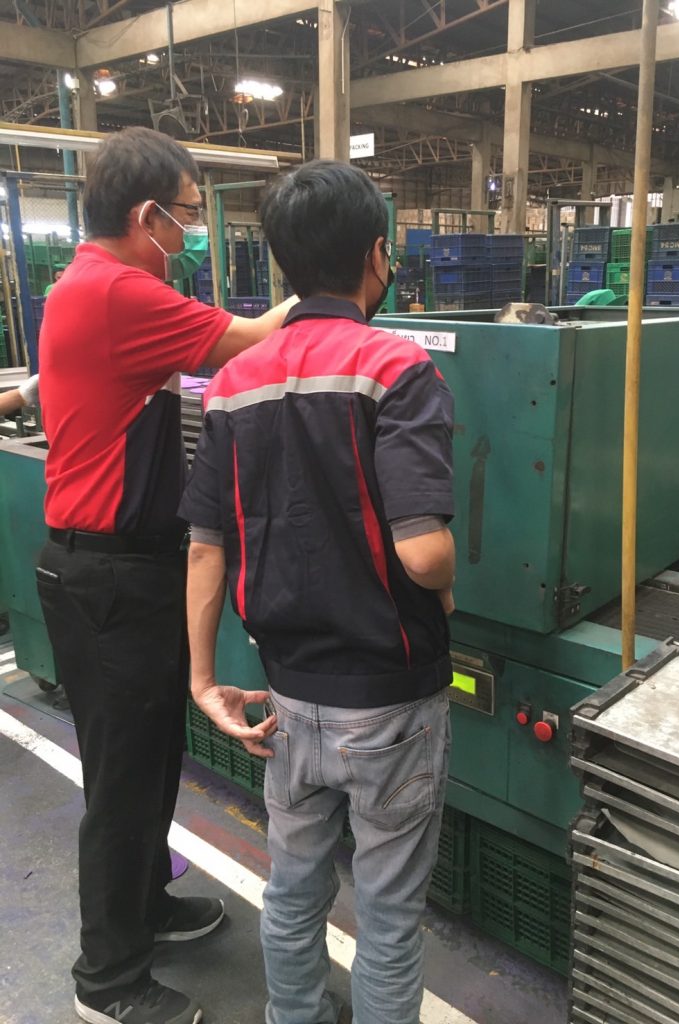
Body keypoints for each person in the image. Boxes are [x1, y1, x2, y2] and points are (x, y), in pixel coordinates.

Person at [180, 159, 456, 1024]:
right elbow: (424, 553)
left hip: (289, 699)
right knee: (389, 914)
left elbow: (205, 548)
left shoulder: (232, 384)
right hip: (392, 703)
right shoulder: (397, 366)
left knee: (293, 889)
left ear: (283, 261)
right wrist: (446, 587)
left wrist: (201, 680)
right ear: (376, 255)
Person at [35, 126, 296, 1024]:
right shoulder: (117, 290)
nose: (189, 231)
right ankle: (107, 981)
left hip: (115, 569)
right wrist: (324, 283)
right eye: (187, 215)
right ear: (147, 215)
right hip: (108, 576)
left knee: (147, 760)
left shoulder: (85, 282)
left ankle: (145, 906)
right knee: (121, 785)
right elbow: (248, 341)